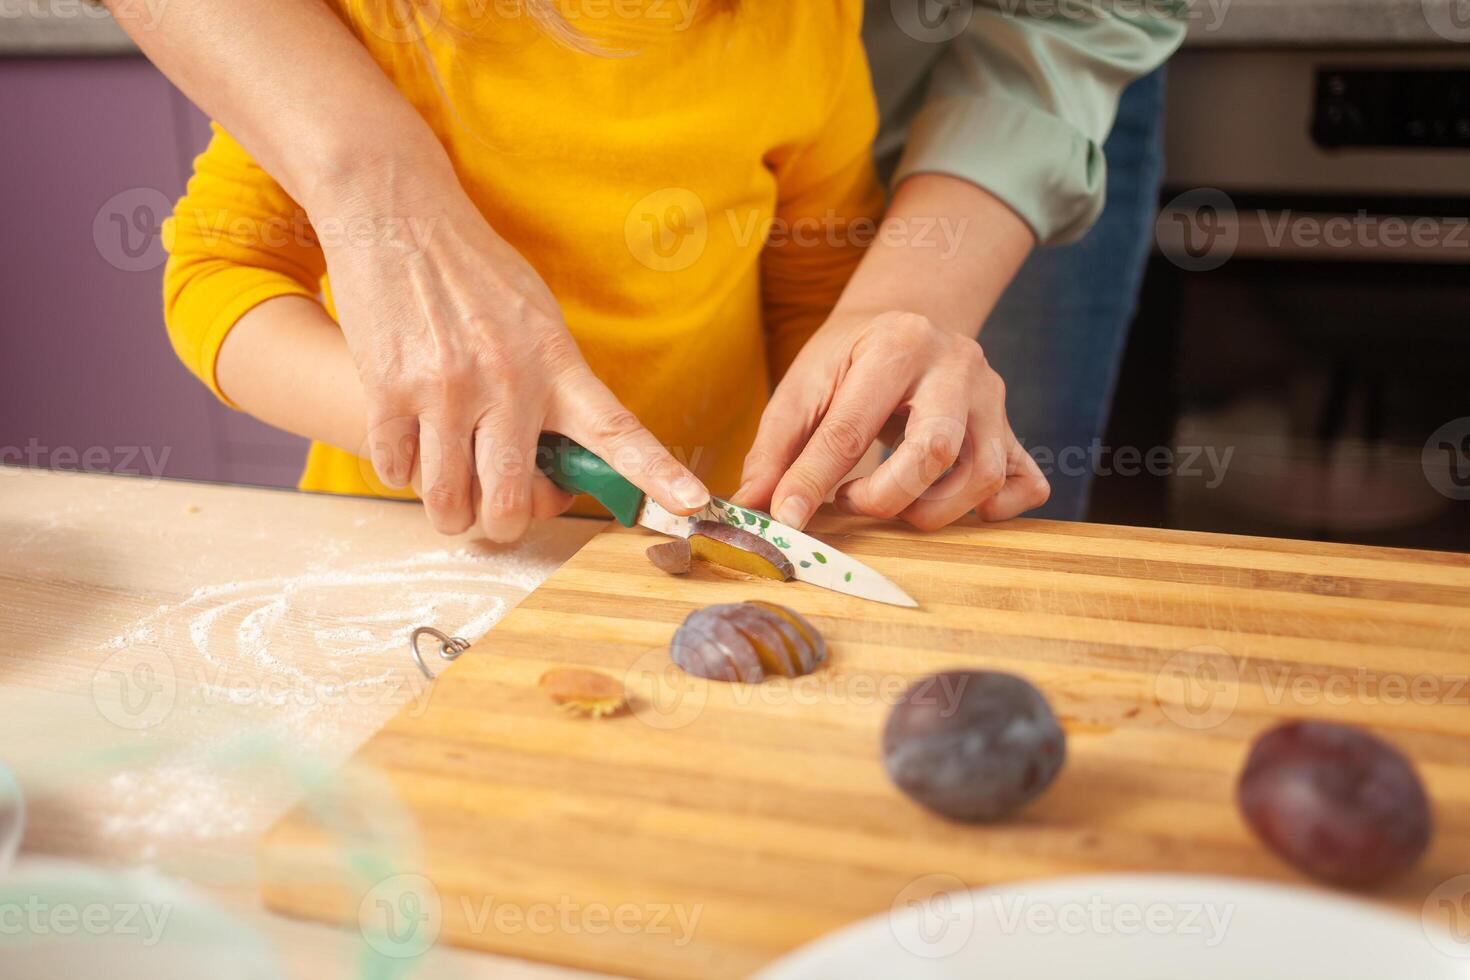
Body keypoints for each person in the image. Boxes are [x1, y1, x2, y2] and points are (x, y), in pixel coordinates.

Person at [103, 0, 1184, 538]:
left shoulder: (802, 26)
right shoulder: (376, 24)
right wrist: (436, 424)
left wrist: (859, 439)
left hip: (672, 560)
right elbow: (219, 278)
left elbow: (818, 297)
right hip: (426, 550)